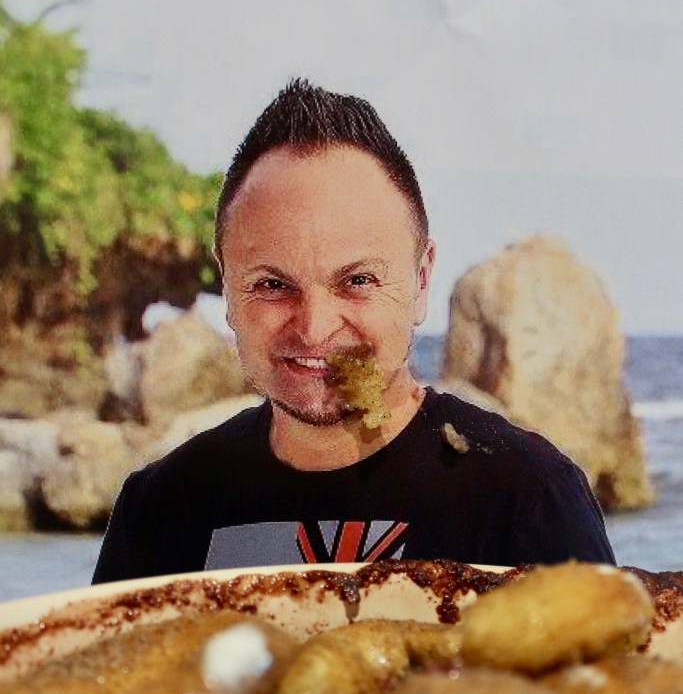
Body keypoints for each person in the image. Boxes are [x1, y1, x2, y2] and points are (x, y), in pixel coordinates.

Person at [92, 79, 614, 583]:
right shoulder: (158, 508)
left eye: (357, 281)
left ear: (421, 280)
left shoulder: (526, 495)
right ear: (228, 286)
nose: (315, 328)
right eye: (273, 284)